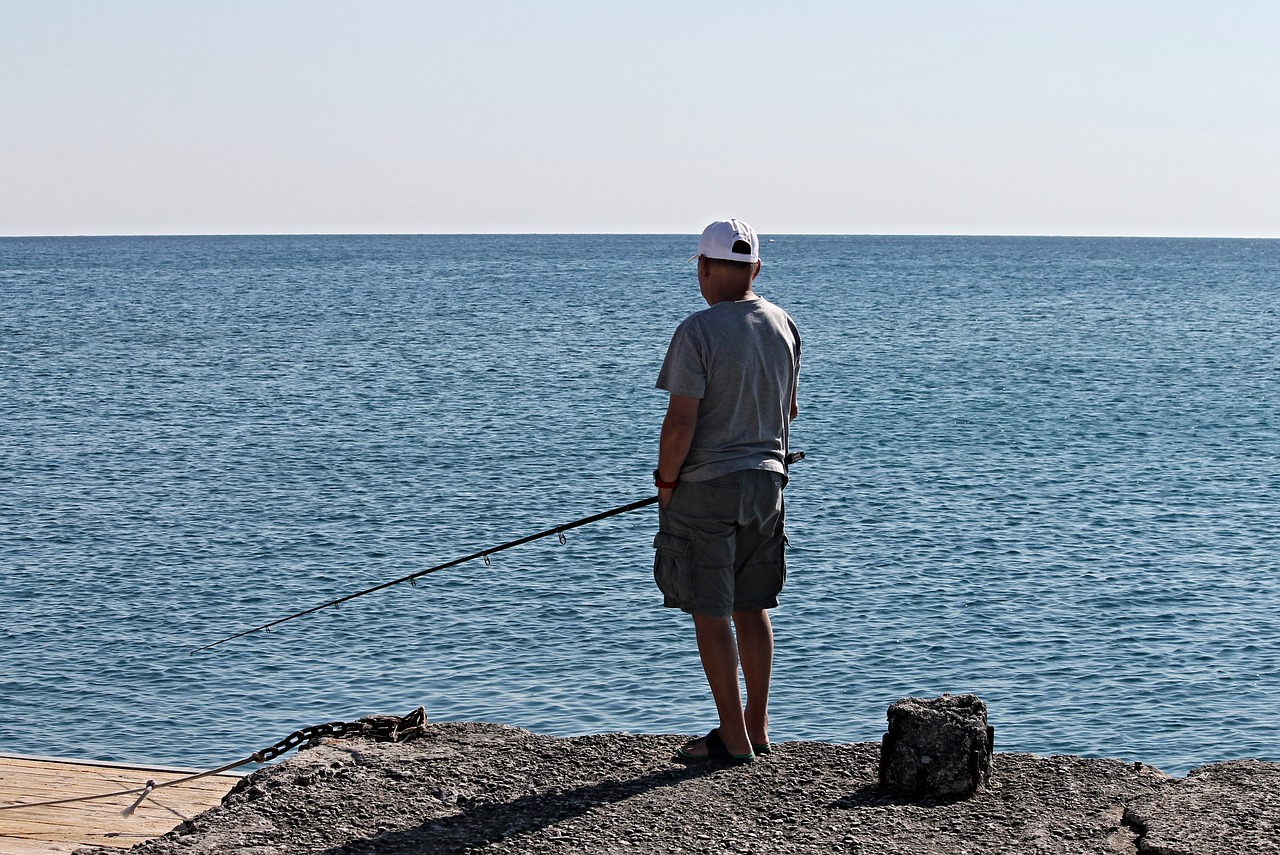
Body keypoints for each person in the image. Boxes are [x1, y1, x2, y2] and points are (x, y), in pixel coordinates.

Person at [653, 218, 801, 764]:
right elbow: (788, 411)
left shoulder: (698, 330)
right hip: (770, 483)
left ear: (704, 267)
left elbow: (680, 424)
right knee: (753, 603)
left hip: (707, 487)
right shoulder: (784, 325)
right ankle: (757, 728)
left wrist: (666, 483)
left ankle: (732, 738)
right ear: (755, 268)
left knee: (710, 608)